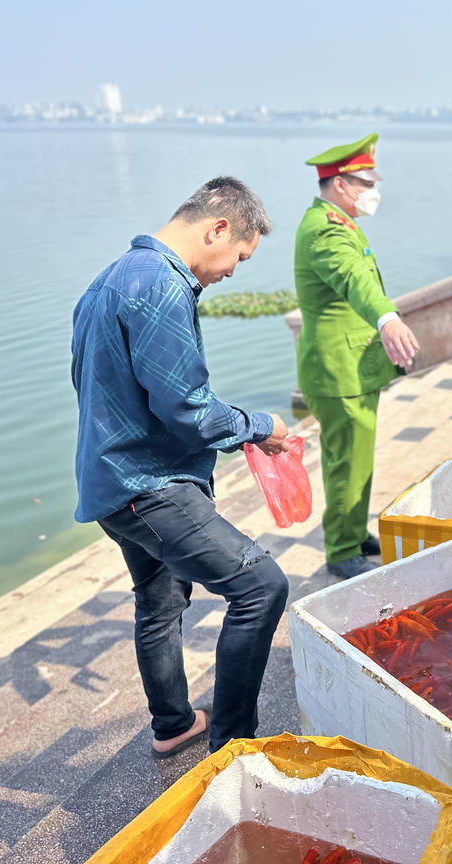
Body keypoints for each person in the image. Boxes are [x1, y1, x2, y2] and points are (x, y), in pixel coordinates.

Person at [71, 177, 293, 756]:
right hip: (151, 486)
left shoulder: (108, 280)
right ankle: (233, 749)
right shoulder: (162, 285)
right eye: (239, 257)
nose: (232, 272)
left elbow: (92, 386)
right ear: (217, 228)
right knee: (260, 587)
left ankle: (173, 724)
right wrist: (260, 426)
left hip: (108, 482)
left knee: (161, 601)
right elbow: (188, 410)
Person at [295, 136, 419, 578]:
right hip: (337, 370)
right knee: (346, 461)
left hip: (352, 368)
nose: (373, 190)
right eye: (366, 182)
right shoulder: (325, 230)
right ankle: (342, 549)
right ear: (342, 184)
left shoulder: (338, 221)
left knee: (358, 457)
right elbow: (355, 281)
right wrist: (387, 319)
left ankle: (352, 530)